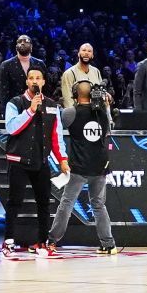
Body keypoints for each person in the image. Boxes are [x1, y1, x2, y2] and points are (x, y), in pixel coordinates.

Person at [1, 66, 67, 255]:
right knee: (15, 201)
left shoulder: (53, 106)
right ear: (27, 82)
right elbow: (11, 128)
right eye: (31, 78)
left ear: (44, 82)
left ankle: (41, 241)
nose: (35, 81)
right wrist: (30, 111)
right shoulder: (15, 103)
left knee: (44, 202)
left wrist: (62, 159)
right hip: (18, 159)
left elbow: (57, 136)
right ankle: (8, 241)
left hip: (41, 160)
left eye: (38, 78)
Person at [49, 78, 118, 254]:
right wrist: (106, 106)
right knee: (98, 205)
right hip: (100, 166)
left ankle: (52, 240)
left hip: (79, 167)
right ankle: (108, 243)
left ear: (74, 95)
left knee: (67, 203)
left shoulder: (70, 112)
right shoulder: (102, 112)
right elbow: (109, 130)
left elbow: (54, 127)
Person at [0, 36, 44, 104]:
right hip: (15, 107)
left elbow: (45, 89)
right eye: (20, 42)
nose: (22, 43)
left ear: (31, 47)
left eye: (26, 41)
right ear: (16, 47)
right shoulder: (6, 65)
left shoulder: (40, 63)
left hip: (37, 107)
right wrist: (6, 112)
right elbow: (4, 93)